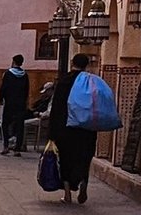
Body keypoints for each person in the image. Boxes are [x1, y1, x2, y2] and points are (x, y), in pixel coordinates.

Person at [47, 53, 116, 202]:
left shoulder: (64, 81)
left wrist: (52, 132)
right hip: (87, 128)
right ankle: (83, 184)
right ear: (87, 65)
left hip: (66, 128)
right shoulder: (92, 81)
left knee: (66, 159)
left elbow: (57, 108)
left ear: (72, 62)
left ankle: (67, 194)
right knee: (84, 158)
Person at [0, 53, 30, 155]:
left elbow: (4, 88)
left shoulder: (8, 74)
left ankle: (6, 146)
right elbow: (26, 90)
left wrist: (1, 98)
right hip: (21, 103)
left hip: (9, 102)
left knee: (5, 124)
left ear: (13, 62)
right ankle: (17, 149)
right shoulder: (25, 75)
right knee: (20, 125)